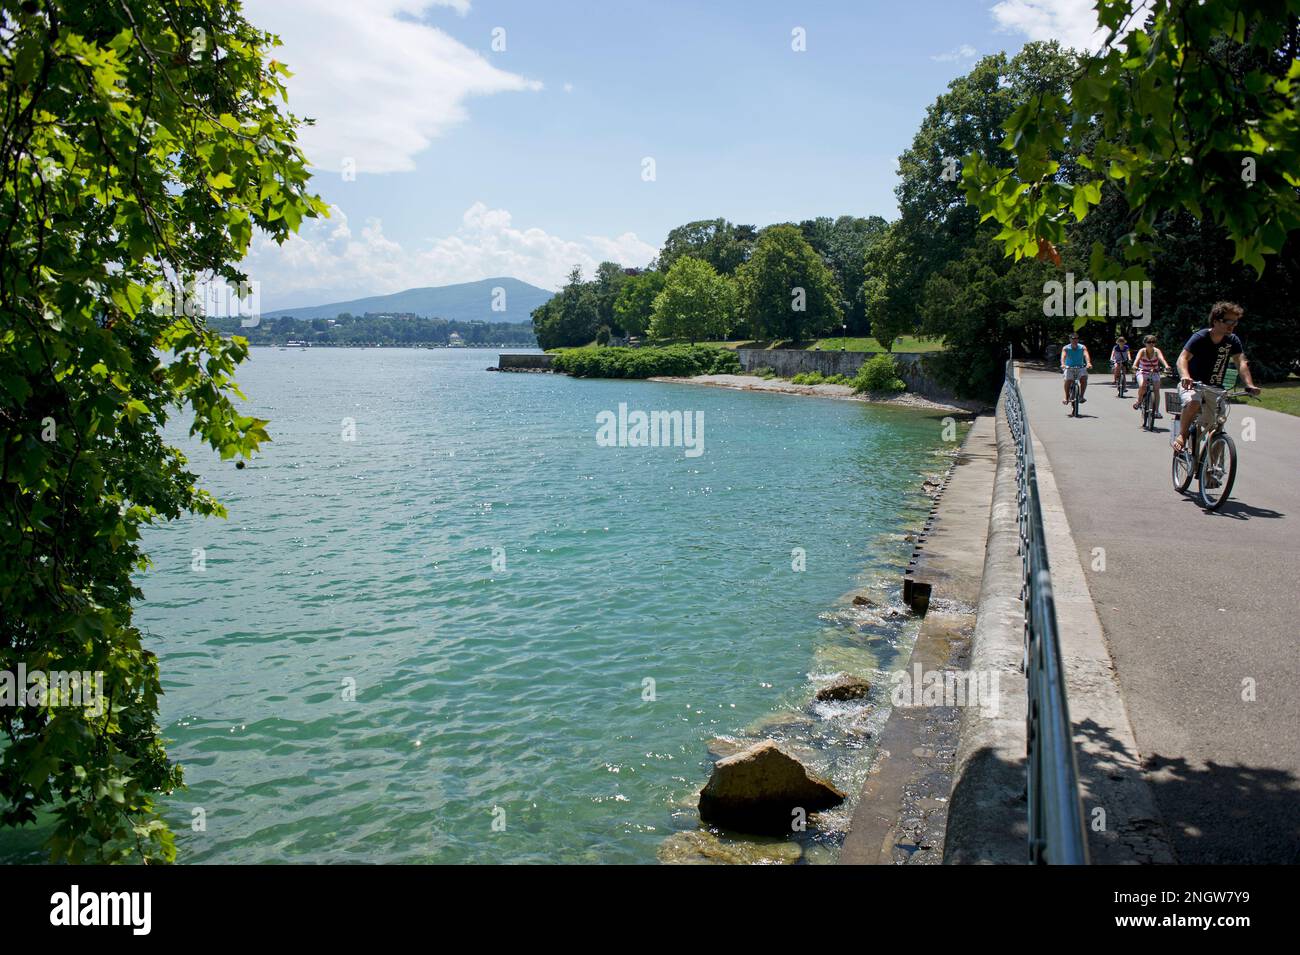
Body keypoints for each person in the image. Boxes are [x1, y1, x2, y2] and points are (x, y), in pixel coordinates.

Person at [1173, 301, 1261, 452]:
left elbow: (1241, 362)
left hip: (1215, 388)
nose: (1232, 325)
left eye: (1235, 322)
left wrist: (1249, 384)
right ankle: (1182, 434)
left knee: (1216, 427)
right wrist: (1185, 376)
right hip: (1193, 384)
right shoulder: (1200, 337)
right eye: (1228, 321)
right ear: (1215, 321)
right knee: (1193, 402)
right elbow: (1182, 358)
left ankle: (1211, 470)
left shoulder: (1232, 340)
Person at [1132, 335, 1172, 417]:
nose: (1151, 344)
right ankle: (1139, 401)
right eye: (1149, 342)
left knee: (1156, 390)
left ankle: (1156, 411)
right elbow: (1137, 359)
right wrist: (1134, 366)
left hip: (1154, 372)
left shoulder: (1157, 351)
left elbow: (1162, 359)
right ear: (1145, 343)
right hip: (1142, 372)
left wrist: (1166, 366)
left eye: (1153, 342)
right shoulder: (1142, 351)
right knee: (1142, 385)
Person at [1061, 333, 1091, 406]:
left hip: (1080, 367)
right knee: (1068, 380)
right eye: (1073, 339)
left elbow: (1086, 354)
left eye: (1076, 338)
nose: (1075, 340)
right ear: (1070, 339)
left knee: (1084, 379)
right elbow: (1063, 356)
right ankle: (1066, 397)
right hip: (1069, 367)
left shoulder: (1082, 347)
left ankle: (1081, 396)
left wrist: (1088, 363)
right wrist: (1063, 364)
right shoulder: (1066, 348)